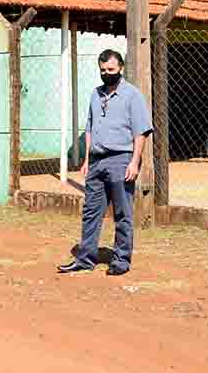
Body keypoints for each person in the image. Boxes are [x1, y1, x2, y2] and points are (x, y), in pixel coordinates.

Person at [58, 49, 154, 276]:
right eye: (102, 70)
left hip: (121, 160)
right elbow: (89, 128)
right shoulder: (95, 94)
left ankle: (121, 261)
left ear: (120, 68)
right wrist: (87, 160)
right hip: (97, 162)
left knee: (123, 213)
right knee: (91, 211)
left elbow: (141, 131)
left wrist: (134, 162)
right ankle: (85, 259)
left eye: (111, 70)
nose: (106, 73)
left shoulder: (132, 95)